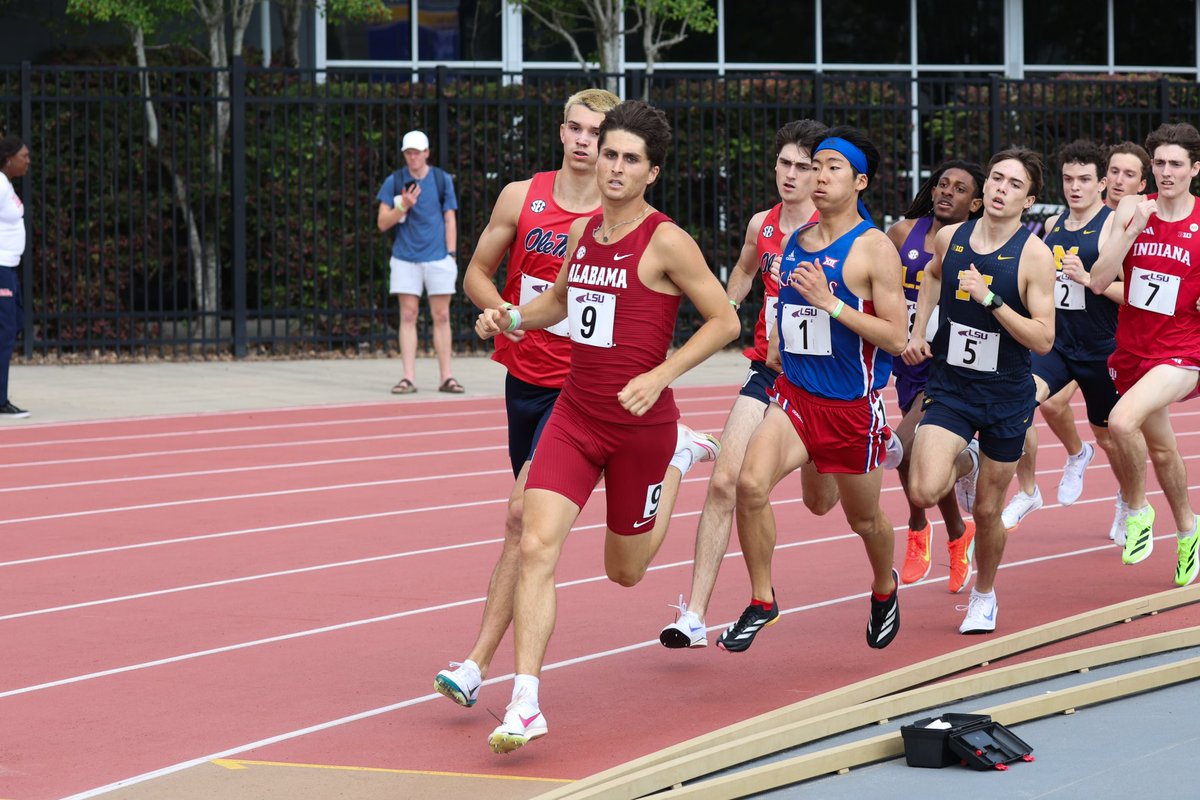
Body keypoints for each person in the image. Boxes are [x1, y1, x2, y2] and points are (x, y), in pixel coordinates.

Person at [474, 100, 739, 753]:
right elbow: (560, 303)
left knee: (626, 572)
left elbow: (725, 321)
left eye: (629, 159)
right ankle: (526, 701)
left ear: (651, 172)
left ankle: (678, 460)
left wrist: (662, 375)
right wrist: (510, 318)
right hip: (575, 414)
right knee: (535, 545)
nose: (614, 167)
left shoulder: (667, 240)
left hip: (640, 428)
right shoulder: (584, 231)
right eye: (610, 154)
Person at [720, 126, 908, 654]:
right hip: (795, 396)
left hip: (851, 408)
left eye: (832, 168)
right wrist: (778, 342)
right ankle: (762, 600)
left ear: (860, 181)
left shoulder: (874, 249)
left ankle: (884, 587)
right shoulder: (796, 239)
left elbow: (897, 337)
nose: (818, 177)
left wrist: (834, 305)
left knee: (861, 519)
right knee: (749, 486)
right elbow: (790, 304)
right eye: (814, 166)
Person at [657, 118, 838, 650]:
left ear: (823, 174)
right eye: (784, 163)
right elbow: (742, 269)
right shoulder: (763, 224)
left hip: (828, 385)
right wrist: (727, 310)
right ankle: (693, 616)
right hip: (769, 373)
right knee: (725, 485)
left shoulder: (844, 233)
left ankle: (886, 447)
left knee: (823, 503)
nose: (790, 175)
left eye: (803, 167)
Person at [904, 147, 1056, 635]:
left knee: (989, 510)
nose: (999, 188)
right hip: (951, 384)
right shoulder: (951, 237)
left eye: (1013, 184)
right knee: (923, 489)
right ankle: (966, 456)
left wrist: (989, 298)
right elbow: (930, 276)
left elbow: (1044, 338)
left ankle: (984, 595)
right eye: (995, 178)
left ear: (1028, 200)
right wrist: (918, 332)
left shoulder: (1033, 256)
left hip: (1006, 393)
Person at [1090, 122, 1200, 588]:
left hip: (1182, 352)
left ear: (1195, 168)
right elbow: (1098, 280)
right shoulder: (1134, 209)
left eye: (1177, 164)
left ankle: (1138, 511)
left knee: (1120, 422)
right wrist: (1130, 230)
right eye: (1159, 164)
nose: (1167, 172)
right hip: (1134, 350)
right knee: (1161, 448)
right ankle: (1190, 529)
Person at [997, 140, 1126, 532]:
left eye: (1085, 179)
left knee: (1110, 437)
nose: (1075, 187)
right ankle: (1032, 487)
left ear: (1101, 183)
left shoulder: (1111, 226)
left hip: (1100, 350)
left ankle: (1126, 499)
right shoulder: (1053, 226)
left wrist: (1090, 280)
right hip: (1057, 344)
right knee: (1018, 403)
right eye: (1069, 178)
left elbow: (1133, 293)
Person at [887, 161, 984, 593]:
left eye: (960, 189)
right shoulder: (900, 233)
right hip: (907, 364)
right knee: (923, 457)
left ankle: (915, 527)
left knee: (903, 449)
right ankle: (959, 531)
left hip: (949, 366)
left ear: (974, 203)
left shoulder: (977, 244)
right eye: (943, 184)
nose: (947, 192)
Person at [376, 130, 463, 394]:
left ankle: (447, 377)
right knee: (408, 315)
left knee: (442, 315)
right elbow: (382, 223)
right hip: (406, 258)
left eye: (417, 152)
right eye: (408, 153)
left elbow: (450, 218)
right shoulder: (395, 180)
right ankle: (408, 378)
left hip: (438, 258)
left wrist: (451, 254)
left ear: (426, 153)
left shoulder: (440, 179)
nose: (412, 157)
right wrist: (403, 205)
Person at [0, 135, 30, 419]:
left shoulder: (6, 184)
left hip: (9, 268)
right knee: (5, 332)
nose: (28, 161)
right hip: (0, 269)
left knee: (13, 325)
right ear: (9, 159)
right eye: (24, 156)